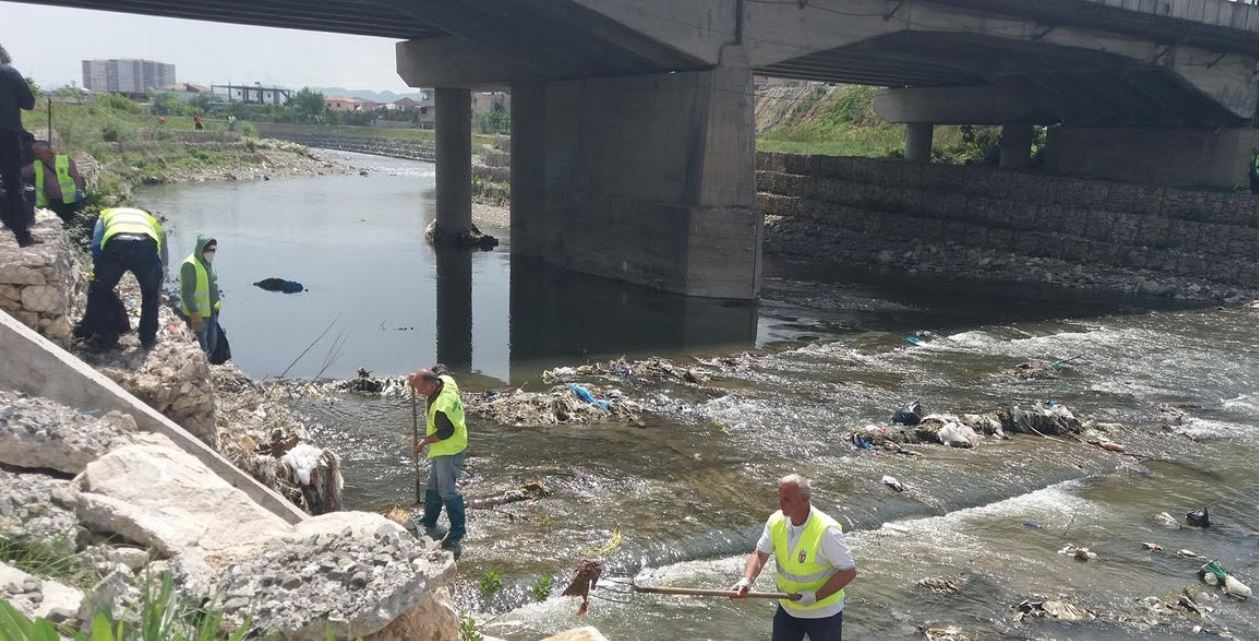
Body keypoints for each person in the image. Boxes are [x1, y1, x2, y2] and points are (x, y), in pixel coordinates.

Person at [733, 474, 857, 641]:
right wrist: (747, 580)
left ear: (804, 500)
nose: (780, 503)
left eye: (786, 499)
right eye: (780, 497)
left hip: (823, 614)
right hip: (788, 609)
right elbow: (760, 554)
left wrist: (815, 596)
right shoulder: (776, 520)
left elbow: (848, 572)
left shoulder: (827, 531)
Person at [79, 207, 167, 349]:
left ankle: (101, 337)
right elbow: (161, 252)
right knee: (150, 296)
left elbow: (96, 243)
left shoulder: (105, 214)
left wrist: (99, 270)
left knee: (98, 291)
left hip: (117, 245)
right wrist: (159, 280)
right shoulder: (150, 220)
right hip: (145, 247)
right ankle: (148, 338)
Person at [408, 367, 468, 553]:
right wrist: (414, 377)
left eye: (420, 388)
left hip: (450, 448)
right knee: (433, 484)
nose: (418, 392)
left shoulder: (443, 406)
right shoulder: (446, 381)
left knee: (446, 488)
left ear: (432, 385)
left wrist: (424, 442)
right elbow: (440, 368)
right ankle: (429, 519)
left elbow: (445, 432)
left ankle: (458, 530)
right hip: (441, 448)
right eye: (416, 388)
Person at [0, 44, 36, 246]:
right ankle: (23, 236)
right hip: (7, 133)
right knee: (13, 184)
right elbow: (28, 103)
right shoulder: (9, 73)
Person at [23, 141, 85, 223]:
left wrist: (79, 191)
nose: (37, 156)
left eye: (39, 154)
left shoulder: (65, 160)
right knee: (62, 224)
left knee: (75, 222)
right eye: (36, 154)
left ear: (48, 152)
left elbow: (76, 177)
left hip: (72, 200)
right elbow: (23, 173)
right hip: (55, 202)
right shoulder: (37, 164)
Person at [179, 235, 221, 355]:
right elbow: (186, 292)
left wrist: (216, 307)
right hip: (198, 315)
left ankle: (209, 366)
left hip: (211, 312)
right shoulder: (190, 265)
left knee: (211, 346)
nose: (212, 253)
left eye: (214, 250)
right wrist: (194, 313)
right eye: (209, 250)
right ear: (202, 250)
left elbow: (212, 288)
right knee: (201, 348)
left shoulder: (208, 265)